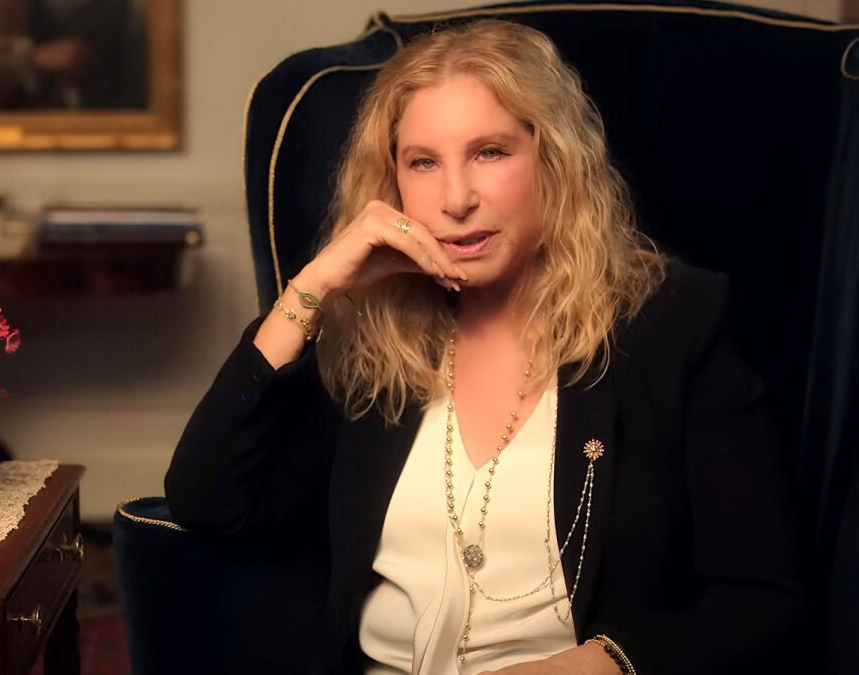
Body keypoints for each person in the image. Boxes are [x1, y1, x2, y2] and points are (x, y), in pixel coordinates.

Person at [165, 19, 803, 675]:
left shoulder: (671, 323)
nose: (456, 199)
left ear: (554, 160)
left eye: (490, 152)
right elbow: (207, 498)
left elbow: (759, 600)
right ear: (393, 184)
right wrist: (315, 284)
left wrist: (594, 666)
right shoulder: (371, 343)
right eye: (423, 162)